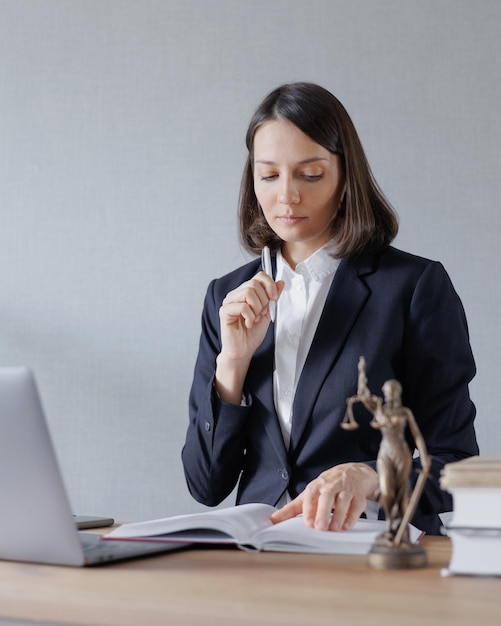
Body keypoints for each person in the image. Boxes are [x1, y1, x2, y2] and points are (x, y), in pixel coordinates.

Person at [182, 82, 478, 536]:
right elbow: (205, 485)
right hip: (260, 553)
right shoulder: (228, 295)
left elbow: (458, 464)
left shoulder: (413, 288)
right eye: (269, 175)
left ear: (345, 177)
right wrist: (232, 365)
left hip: (375, 550)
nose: (287, 196)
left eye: (310, 174)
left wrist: (374, 477)